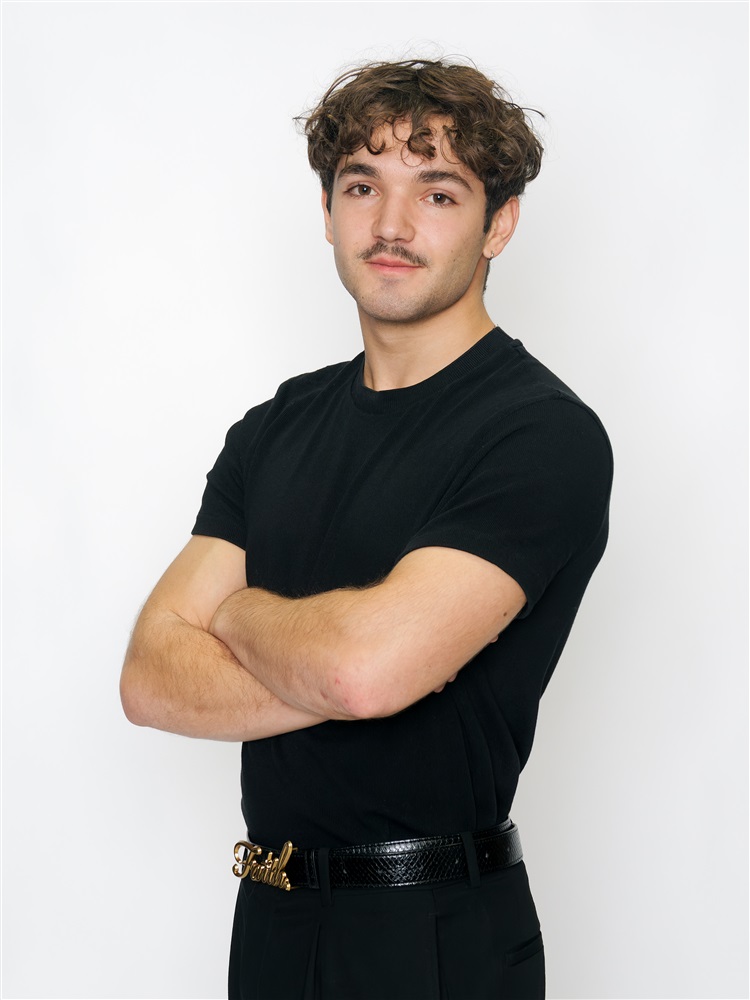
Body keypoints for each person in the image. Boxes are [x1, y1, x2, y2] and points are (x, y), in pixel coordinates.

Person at [120, 57, 613, 1000]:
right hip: (270, 921)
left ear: (499, 224)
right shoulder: (274, 428)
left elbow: (364, 672)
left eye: (438, 192)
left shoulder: (539, 434)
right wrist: (355, 661)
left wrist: (236, 615)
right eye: (362, 186)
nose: (391, 225)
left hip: (432, 935)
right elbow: (149, 678)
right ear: (327, 210)